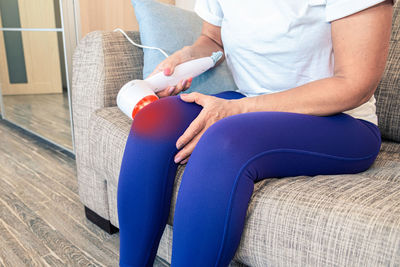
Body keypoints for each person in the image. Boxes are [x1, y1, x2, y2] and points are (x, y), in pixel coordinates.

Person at [118, 0, 394, 266]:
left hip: (340, 122)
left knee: (223, 142)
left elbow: (356, 84)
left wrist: (239, 110)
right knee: (153, 121)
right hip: (249, 100)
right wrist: (187, 57)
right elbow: (213, 40)